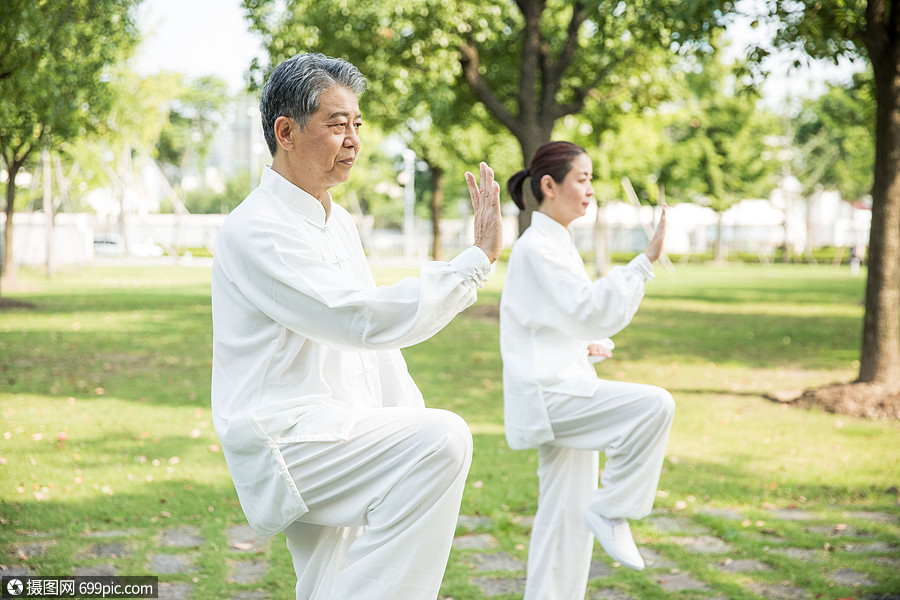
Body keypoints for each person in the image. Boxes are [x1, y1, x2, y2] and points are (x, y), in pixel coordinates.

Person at [210, 53, 503, 600]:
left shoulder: (335, 218)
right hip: (289, 438)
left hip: (342, 427)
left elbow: (375, 355)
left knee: (329, 582)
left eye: (357, 125)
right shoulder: (256, 229)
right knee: (442, 441)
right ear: (286, 132)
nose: (353, 141)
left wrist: (403, 416)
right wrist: (473, 264)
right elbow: (357, 319)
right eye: (337, 124)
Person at [499, 141, 675, 600]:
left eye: (591, 179)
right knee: (654, 406)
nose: (590, 190)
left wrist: (584, 346)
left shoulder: (553, 242)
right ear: (549, 185)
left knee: (562, 521)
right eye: (583, 178)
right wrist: (644, 262)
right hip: (550, 397)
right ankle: (614, 507)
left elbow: (552, 321)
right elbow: (588, 309)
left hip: (559, 387)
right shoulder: (539, 247)